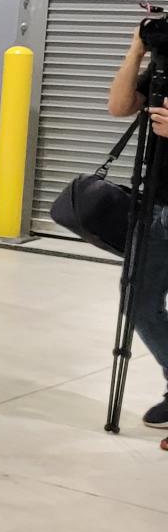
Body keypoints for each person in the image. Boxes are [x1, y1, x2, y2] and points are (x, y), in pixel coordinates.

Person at [107, 22, 168, 430]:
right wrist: (137, 51)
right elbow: (119, 105)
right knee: (138, 300)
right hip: (158, 203)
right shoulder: (165, 62)